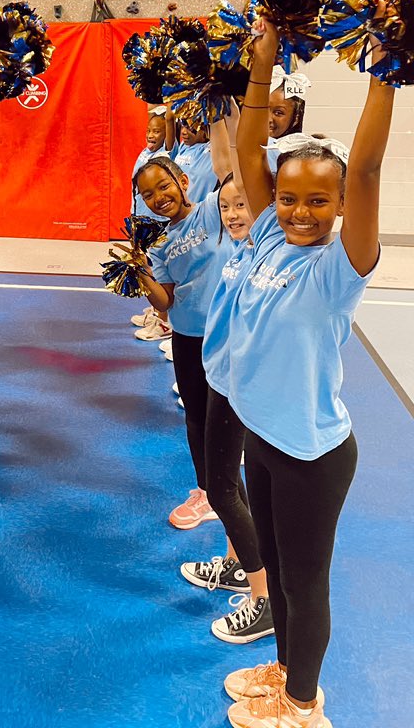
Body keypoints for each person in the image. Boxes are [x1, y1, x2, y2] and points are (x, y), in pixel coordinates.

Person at [222, 16, 392, 728]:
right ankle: (287, 671)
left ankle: (302, 706)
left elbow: (370, 166)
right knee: (281, 582)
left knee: (305, 579)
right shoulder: (267, 232)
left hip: (312, 455)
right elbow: (248, 139)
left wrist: (388, 70)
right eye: (289, 197)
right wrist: (260, 62)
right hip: (263, 436)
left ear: (342, 205)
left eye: (319, 201)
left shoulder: (337, 267)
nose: (298, 211)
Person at [180, 107, 273, 645]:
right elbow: (225, 162)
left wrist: (244, 108)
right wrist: (216, 104)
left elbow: (241, 160)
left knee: (222, 490)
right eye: (230, 205)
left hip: (238, 387)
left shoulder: (261, 241)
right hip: (219, 379)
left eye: (246, 206)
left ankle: (262, 599)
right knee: (226, 485)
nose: (236, 213)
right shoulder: (231, 242)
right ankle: (240, 564)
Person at [127, 119, 234, 529]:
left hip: (227, 334)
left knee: (231, 416)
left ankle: (232, 490)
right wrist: (141, 275)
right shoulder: (159, 243)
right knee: (196, 414)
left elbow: (229, 166)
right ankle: (207, 491)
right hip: (188, 338)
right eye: (148, 195)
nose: (159, 198)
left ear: (184, 180)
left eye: (164, 186)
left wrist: (223, 113)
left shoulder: (213, 208)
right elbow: (165, 303)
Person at [131, 107, 171, 342]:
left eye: (157, 131)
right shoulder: (145, 153)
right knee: (147, 265)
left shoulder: (164, 157)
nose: (151, 135)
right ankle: (156, 311)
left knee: (159, 270)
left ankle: (163, 321)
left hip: (158, 222)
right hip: (143, 220)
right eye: (149, 130)